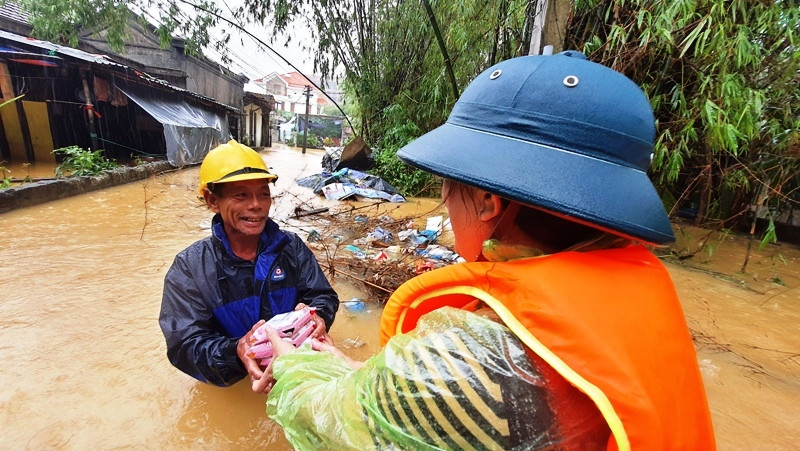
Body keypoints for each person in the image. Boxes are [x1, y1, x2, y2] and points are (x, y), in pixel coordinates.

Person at [253, 51, 716, 449]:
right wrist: (356, 370)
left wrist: (294, 365)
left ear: (488, 201)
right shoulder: (638, 290)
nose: (445, 200)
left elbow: (331, 423)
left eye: (447, 185)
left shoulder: (472, 353)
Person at [159, 140, 339, 388]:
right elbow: (185, 344)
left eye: (263, 193)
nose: (256, 205)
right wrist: (236, 352)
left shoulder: (291, 248)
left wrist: (317, 316)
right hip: (237, 381)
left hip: (294, 367)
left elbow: (322, 295)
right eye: (241, 195)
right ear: (212, 200)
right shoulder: (189, 268)